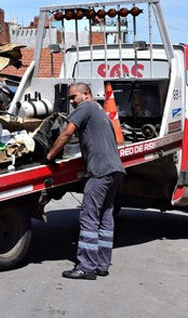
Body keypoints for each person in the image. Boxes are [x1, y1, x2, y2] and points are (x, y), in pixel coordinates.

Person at [46, 82, 125, 280]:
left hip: (100, 172)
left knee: (89, 217)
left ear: (86, 95)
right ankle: (101, 264)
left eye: (74, 97)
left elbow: (67, 132)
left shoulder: (86, 107)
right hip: (115, 170)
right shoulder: (100, 111)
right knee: (105, 217)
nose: (72, 101)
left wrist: (50, 156)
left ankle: (86, 267)